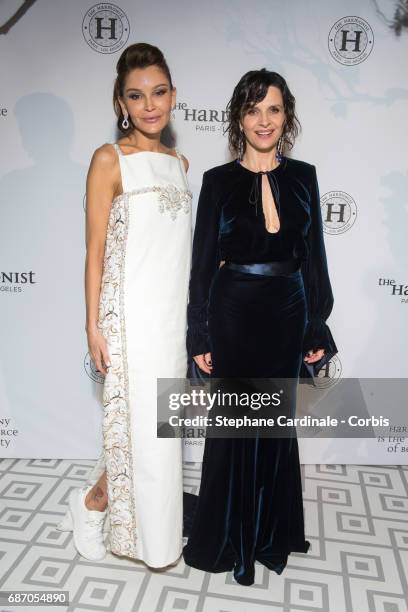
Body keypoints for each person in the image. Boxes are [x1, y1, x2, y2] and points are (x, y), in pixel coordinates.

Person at [182, 69, 337, 585]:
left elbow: (313, 259)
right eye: (253, 110)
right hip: (233, 314)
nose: (264, 120)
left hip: (289, 313)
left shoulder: (305, 176)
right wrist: (199, 334)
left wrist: (316, 326)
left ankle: (272, 533)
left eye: (273, 109)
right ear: (239, 118)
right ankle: (229, 537)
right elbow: (202, 265)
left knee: (275, 425)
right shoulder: (217, 182)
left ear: (286, 114)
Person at [56, 43, 192, 567]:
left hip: (172, 320)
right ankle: (92, 505)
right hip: (130, 319)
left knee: (160, 435)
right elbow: (94, 253)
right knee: (136, 431)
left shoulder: (180, 163)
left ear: (173, 96)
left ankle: (153, 538)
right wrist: (93, 325)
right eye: (137, 96)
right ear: (121, 102)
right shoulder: (108, 160)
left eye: (158, 93)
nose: (149, 105)